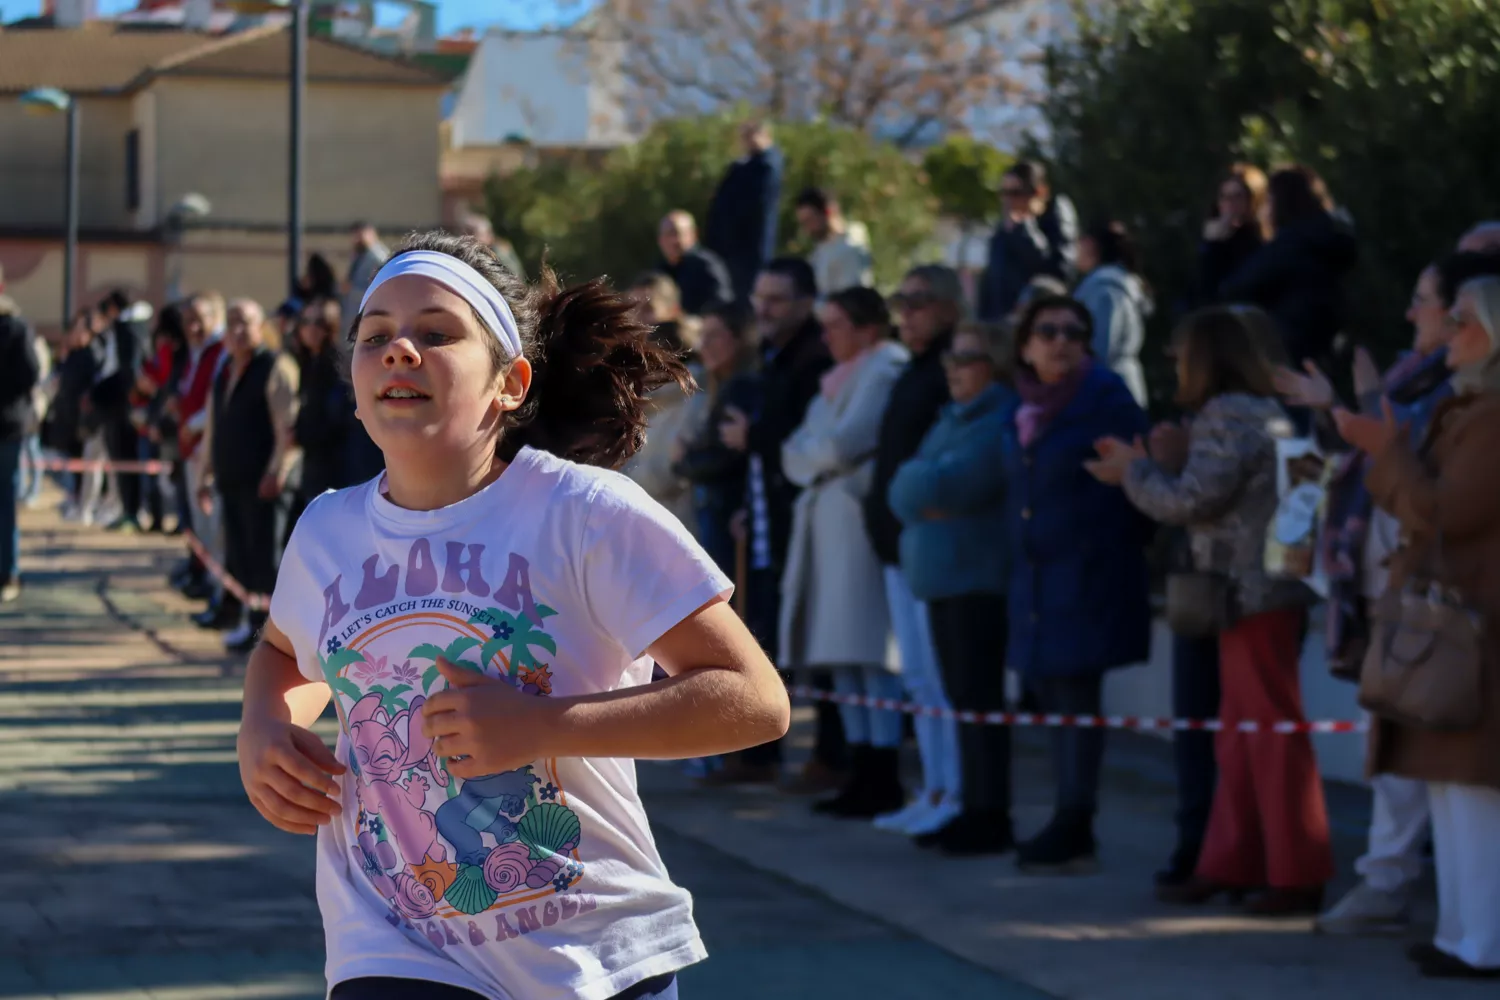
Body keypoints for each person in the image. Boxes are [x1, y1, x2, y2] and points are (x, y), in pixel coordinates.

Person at [236, 231, 790, 1000]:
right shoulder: (327, 530)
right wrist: (265, 728)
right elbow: (285, 654)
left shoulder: (585, 513)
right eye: (374, 336)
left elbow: (755, 700)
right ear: (355, 384)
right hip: (391, 941)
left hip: (591, 955)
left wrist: (543, 727)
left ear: (511, 382)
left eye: (436, 333)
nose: (399, 350)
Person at [1093, 305, 1331, 915]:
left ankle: (1292, 872)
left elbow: (1190, 500)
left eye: (1182, 353)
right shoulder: (1264, 414)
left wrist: (1133, 471)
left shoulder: (1229, 414)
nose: (1174, 363)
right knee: (1241, 735)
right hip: (1264, 593)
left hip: (1247, 596)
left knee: (1267, 734)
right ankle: (1238, 861)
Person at [1333, 275, 1500, 979]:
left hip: (1476, 624)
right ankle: (1462, 933)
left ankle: (1482, 940)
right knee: (1448, 783)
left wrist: (1386, 451)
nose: (1450, 330)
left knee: (1474, 788)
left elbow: (1448, 513)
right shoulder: (1468, 408)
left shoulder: (1491, 418)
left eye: (1463, 319)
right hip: (1454, 623)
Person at [1001, 295, 1152, 871]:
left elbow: (1137, 486)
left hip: (1088, 577)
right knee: (1057, 700)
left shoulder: (1107, 400)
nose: (1061, 340)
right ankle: (1067, 818)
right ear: (1026, 343)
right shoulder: (1021, 406)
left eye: (1074, 331)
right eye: (1048, 330)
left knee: (1078, 701)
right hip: (1038, 580)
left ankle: (1075, 821)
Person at [779, 287, 908, 818]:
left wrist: (818, 456)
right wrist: (818, 456)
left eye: (836, 325)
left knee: (869, 652)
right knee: (843, 656)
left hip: (854, 524)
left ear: (868, 328)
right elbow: (793, 452)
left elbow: (837, 444)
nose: (827, 335)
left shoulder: (883, 369)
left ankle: (884, 772)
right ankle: (861, 769)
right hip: (828, 524)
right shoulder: (835, 380)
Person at [887, 321, 1016, 854]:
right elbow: (903, 488)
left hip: (976, 581)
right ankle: (969, 806)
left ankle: (990, 813)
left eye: (966, 359)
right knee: (959, 698)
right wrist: (923, 487)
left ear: (995, 364)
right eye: (951, 360)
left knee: (979, 700)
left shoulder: (999, 418)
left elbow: (950, 484)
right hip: (941, 581)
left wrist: (924, 485)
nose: (954, 370)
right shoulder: (950, 419)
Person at [712, 257, 835, 789]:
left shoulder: (816, 359)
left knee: (822, 643)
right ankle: (760, 755)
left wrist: (753, 438)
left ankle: (833, 757)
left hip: (806, 520)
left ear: (808, 303)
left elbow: (800, 439)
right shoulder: (773, 355)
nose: (763, 308)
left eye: (777, 299)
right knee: (769, 630)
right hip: (765, 518)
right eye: (759, 297)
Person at [864, 266, 965, 838]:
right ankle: (933, 787)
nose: (909, 312)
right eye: (904, 301)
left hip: (930, 546)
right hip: (898, 543)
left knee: (942, 681)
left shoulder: (947, 372)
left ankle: (956, 790)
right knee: (921, 680)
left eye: (921, 301)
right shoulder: (914, 369)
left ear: (950, 307)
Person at [197, 300, 301, 654]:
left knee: (265, 562)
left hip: (264, 485)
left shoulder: (275, 367)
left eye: (245, 323)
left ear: (261, 327)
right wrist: (204, 474)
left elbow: (286, 429)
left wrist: (277, 472)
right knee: (239, 560)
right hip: (232, 480)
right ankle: (249, 626)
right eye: (231, 323)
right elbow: (214, 427)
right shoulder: (225, 369)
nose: (237, 330)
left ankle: (270, 638)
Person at [1215, 166, 1357, 368]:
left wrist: (1215, 246)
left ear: (1281, 203)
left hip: (1286, 356)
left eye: (1268, 201)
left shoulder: (1292, 244)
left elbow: (1232, 290)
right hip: (1325, 357)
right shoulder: (1329, 238)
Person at [672, 304, 759, 577]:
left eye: (714, 335)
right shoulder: (720, 386)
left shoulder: (742, 387)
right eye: (702, 335)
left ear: (740, 338)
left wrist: (683, 461)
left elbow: (727, 457)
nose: (704, 344)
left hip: (731, 513)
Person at [977, 162, 1071, 322]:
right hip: (1000, 324)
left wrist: (1024, 228)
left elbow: (1057, 270)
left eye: (1015, 193)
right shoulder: (1003, 229)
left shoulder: (1055, 214)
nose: (1008, 200)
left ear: (1039, 192)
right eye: (1003, 192)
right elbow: (992, 282)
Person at [704, 119, 784, 303]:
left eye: (750, 136)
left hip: (748, 250)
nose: (747, 142)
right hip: (730, 249)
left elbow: (758, 213)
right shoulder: (746, 165)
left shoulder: (766, 166)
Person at [1074, 221, 1152, 406]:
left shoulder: (1105, 291)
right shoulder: (1109, 285)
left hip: (1109, 395)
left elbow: (1100, 349)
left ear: (1089, 244)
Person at [91, 289, 147, 532]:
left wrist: (130, 399)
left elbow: (129, 368)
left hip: (121, 406)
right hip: (116, 403)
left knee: (125, 458)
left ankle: (132, 512)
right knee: (119, 460)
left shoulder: (129, 329)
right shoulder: (127, 328)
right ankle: (127, 509)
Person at [0, 282, 41, 603]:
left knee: (5, 501)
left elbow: (30, 372)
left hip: (6, 428)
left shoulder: (15, 329)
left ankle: (8, 571)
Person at [1197, 164, 1268, 306]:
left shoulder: (1262, 243)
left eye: (1238, 197)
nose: (1230, 204)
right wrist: (1211, 245)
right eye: (1224, 197)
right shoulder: (1213, 239)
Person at [794, 187, 873, 297]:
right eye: (804, 223)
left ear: (828, 212)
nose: (807, 229)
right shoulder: (820, 251)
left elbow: (851, 297)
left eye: (810, 220)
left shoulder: (850, 249)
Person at [655, 211, 733, 316]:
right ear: (660, 240)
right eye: (669, 234)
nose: (674, 241)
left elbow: (722, 303)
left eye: (678, 233)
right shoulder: (660, 272)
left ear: (693, 234)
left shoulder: (706, 266)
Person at [344, 222, 392, 325]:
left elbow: (381, 287)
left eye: (360, 235)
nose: (356, 239)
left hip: (369, 311)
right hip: (356, 310)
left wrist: (352, 289)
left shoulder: (378, 257)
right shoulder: (360, 254)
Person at [460, 213, 528, 282]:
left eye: (473, 234)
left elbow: (515, 275)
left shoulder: (500, 252)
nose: (469, 238)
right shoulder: (466, 254)